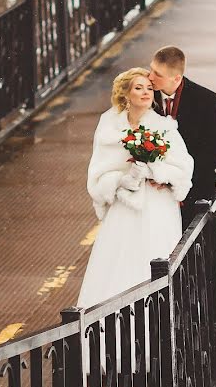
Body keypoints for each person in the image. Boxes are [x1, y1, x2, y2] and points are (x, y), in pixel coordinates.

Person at [77, 68, 194, 311]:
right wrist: (122, 180)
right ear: (125, 94)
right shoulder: (108, 124)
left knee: (155, 256)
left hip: (157, 204)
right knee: (118, 258)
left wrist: (154, 171)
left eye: (149, 88)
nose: (145, 93)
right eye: (138, 88)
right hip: (124, 204)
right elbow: (98, 171)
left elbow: (183, 167)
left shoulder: (164, 126)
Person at [148, 46, 216, 221]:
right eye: (150, 69)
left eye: (158, 74)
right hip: (155, 191)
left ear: (176, 78)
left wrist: (175, 177)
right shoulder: (145, 96)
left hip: (196, 190)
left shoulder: (206, 100)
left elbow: (215, 153)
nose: (150, 77)